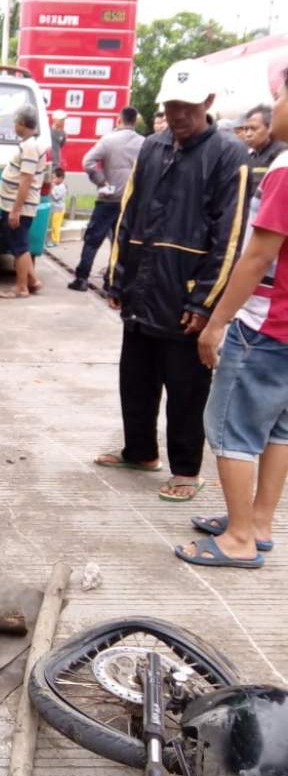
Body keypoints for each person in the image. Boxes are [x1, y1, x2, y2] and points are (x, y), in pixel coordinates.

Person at [96, 59, 250, 502]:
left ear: (207, 102)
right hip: (143, 285)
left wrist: (205, 302)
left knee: (186, 386)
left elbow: (230, 235)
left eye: (186, 106)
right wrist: (118, 276)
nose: (178, 114)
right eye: (171, 106)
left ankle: (186, 469)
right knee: (136, 377)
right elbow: (129, 213)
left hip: (186, 293)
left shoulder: (228, 154)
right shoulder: (153, 147)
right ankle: (140, 451)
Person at [174, 70, 288, 568]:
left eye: (280, 96)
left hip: (265, 326)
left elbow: (259, 256)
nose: (274, 105)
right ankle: (257, 523)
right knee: (279, 431)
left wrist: (219, 320)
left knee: (229, 429)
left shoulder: (285, 169)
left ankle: (239, 539)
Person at [68, 106, 144, 292]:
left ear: (119, 120)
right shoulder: (144, 143)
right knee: (121, 242)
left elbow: (88, 161)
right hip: (130, 201)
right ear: (135, 122)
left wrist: (102, 182)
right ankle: (112, 282)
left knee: (93, 240)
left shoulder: (108, 140)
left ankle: (82, 278)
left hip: (108, 199)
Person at [0, 106, 47, 299]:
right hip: (14, 205)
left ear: (23, 124)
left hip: (19, 207)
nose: (14, 125)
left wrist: (16, 211)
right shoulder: (29, 144)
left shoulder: (30, 147)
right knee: (19, 244)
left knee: (20, 247)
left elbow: (26, 180)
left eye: (16, 122)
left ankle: (21, 287)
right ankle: (33, 281)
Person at [242, 102, 287, 188]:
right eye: (246, 129)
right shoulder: (250, 155)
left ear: (269, 128)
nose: (248, 134)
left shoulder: (281, 154)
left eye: (253, 129)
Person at [48, 168, 67, 245]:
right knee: (53, 225)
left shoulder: (62, 187)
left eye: (55, 178)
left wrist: (52, 189)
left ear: (61, 178)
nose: (53, 180)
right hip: (55, 209)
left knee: (56, 225)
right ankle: (53, 239)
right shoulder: (57, 186)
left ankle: (55, 241)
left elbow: (56, 197)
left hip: (59, 209)